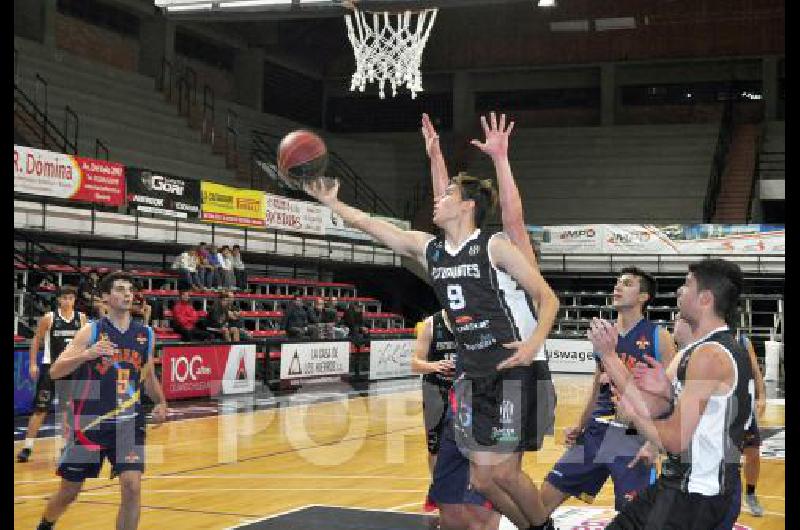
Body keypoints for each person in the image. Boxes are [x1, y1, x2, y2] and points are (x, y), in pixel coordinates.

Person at [304, 111, 560, 530]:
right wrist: (333, 204)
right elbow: (373, 226)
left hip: (515, 366)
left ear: (468, 206)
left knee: (505, 473)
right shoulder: (432, 250)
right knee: (481, 477)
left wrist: (532, 347)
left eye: (444, 197)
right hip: (475, 371)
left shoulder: (493, 247)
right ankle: (537, 526)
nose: (435, 201)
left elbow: (547, 299)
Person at [590, 258, 754, 529]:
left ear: (705, 299)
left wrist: (635, 416)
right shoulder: (702, 349)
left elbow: (675, 440)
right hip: (680, 483)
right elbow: (683, 414)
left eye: (687, 285)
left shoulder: (709, 355)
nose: (680, 291)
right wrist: (666, 394)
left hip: (696, 495)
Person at [36, 271, 168, 530]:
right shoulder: (92, 331)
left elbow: (148, 375)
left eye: (130, 290)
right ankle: (45, 525)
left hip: (129, 422)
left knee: (132, 487)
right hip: (90, 423)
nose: (127, 294)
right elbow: (55, 371)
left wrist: (161, 402)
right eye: (120, 289)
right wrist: (86, 354)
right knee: (69, 491)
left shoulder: (146, 334)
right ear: (105, 297)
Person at [539, 267, 676, 514]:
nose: (618, 287)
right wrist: (580, 426)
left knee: (633, 517)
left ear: (644, 297)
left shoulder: (659, 336)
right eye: (616, 283)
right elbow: (595, 387)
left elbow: (672, 394)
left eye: (626, 283)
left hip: (632, 436)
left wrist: (655, 443)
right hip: (595, 431)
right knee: (543, 500)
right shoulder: (604, 335)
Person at [17, 286, 87, 463]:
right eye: (64, 298)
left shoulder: (81, 318)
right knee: (41, 409)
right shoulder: (49, 318)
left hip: (72, 369)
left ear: (74, 300)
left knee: (68, 409)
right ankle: (27, 446)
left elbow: (86, 343)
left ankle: (66, 444)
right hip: (51, 369)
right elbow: (36, 340)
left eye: (71, 298)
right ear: (59, 300)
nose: (67, 301)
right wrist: (33, 363)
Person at [411, 309, 457, 476]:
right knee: (434, 446)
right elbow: (415, 363)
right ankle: (436, 488)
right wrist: (435, 366)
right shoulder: (431, 323)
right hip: (435, 390)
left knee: (469, 445)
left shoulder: (473, 322)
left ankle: (469, 489)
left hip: (465, 390)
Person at [737, 331, 766, 517]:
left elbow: (755, 371)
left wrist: (762, 396)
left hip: (744, 407)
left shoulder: (742, 341)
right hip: (720, 407)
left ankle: (750, 493)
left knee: (753, 453)